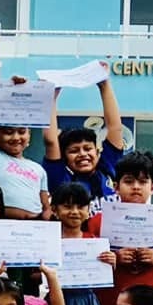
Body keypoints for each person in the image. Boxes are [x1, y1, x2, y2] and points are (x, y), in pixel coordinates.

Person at [86, 150, 153, 305]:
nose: (136, 187)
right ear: (116, 187)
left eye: (143, 181)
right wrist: (115, 258)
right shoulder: (98, 221)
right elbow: (88, 262)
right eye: (129, 181)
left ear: (152, 187)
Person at [41, 70, 129, 208]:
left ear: (98, 152)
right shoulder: (61, 179)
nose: (83, 154)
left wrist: (104, 85)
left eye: (88, 149)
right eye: (74, 151)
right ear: (64, 157)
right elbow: (50, 141)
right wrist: (50, 98)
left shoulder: (108, 168)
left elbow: (115, 128)